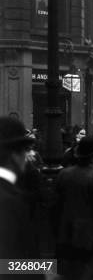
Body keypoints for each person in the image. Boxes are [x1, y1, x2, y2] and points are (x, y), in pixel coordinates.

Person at [54, 135, 93, 280]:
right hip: (87, 238)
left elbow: (56, 204)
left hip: (64, 233)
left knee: (68, 273)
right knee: (87, 273)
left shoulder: (63, 174)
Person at [0, 116, 41, 278]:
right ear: (13, 155)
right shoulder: (9, 200)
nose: (27, 155)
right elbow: (10, 263)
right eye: (24, 150)